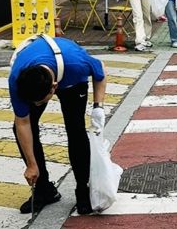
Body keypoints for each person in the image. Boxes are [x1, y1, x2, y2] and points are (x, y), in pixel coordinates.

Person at [9, 36, 106, 214]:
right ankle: (44, 189)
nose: (37, 105)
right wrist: (31, 164)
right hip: (40, 70)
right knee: (21, 127)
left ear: (54, 87)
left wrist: (98, 107)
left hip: (71, 78)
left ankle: (83, 190)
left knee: (75, 129)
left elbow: (100, 72)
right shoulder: (18, 78)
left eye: (40, 102)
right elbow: (23, 123)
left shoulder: (78, 64)